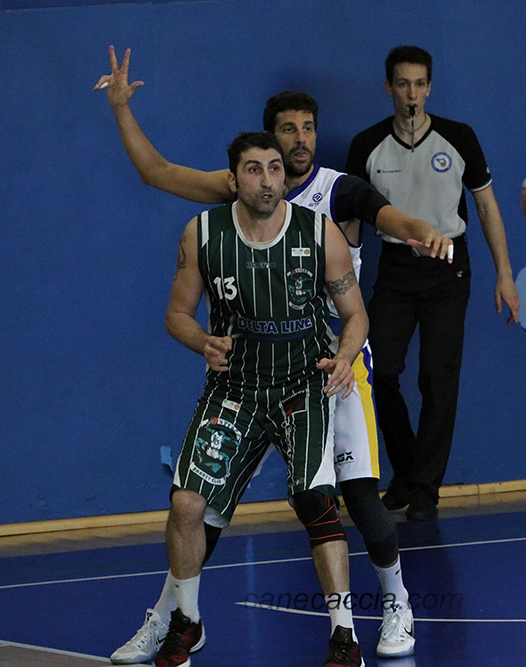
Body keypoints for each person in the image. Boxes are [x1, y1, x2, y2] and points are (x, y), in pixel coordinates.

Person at [95, 46, 445, 661]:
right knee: (200, 509)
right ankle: (175, 617)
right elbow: (157, 171)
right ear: (259, 154)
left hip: (329, 362)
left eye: (308, 128)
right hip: (248, 374)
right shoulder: (236, 192)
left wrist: (424, 232)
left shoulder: (338, 193)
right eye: (289, 129)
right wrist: (122, 109)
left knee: (356, 495)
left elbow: (391, 218)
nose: (300, 139)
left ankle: (396, 605)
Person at [154, 132, 368, 667]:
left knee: (316, 501)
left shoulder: (319, 232)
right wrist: (204, 342)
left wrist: (345, 357)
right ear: (233, 179)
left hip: (303, 383)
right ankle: (186, 621)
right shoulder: (203, 233)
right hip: (237, 387)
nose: (268, 179)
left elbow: (356, 316)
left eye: (275, 168)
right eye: (254, 169)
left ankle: (345, 638)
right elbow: (176, 315)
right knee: (186, 504)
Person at [345, 45, 521, 522]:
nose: (412, 94)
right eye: (403, 84)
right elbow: (351, 222)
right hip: (395, 268)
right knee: (380, 371)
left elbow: (486, 205)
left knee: (438, 378)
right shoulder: (367, 145)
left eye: (420, 84)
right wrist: (343, 285)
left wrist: (505, 275)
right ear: (388, 87)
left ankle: (424, 489)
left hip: (448, 268)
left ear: (430, 88)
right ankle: (407, 470)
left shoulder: (459, 137)